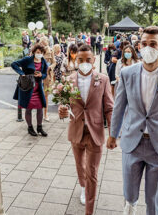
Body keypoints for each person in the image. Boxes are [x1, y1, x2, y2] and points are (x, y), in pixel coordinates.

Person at [107, 26, 158, 215]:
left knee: (153, 198)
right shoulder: (127, 73)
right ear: (139, 46)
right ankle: (130, 208)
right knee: (130, 192)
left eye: (153, 44)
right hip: (132, 141)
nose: (147, 47)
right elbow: (119, 106)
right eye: (144, 43)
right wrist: (113, 135)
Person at [58, 45, 114, 215]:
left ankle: (89, 210)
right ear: (76, 60)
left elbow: (110, 108)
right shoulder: (68, 80)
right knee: (79, 165)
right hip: (76, 130)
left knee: (92, 172)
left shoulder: (103, 80)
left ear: (93, 61)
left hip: (95, 132)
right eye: (80, 60)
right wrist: (62, 111)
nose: (84, 63)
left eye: (88, 60)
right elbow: (64, 105)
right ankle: (83, 187)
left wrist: (113, 133)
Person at [11, 44, 49, 137]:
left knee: (40, 108)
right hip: (28, 88)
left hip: (38, 88)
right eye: (37, 52)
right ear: (34, 52)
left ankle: (39, 128)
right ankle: (30, 128)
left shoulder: (43, 61)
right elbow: (14, 64)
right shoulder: (28, 59)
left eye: (41, 53)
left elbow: (45, 74)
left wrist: (41, 75)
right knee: (29, 108)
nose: (39, 54)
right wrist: (22, 73)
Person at [40, 37, 56, 122]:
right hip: (38, 76)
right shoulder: (37, 51)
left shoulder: (51, 51)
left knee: (46, 96)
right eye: (42, 43)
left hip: (47, 76)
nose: (44, 45)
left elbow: (54, 62)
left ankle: (45, 114)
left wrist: (50, 67)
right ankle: (39, 114)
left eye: (45, 43)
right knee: (38, 95)